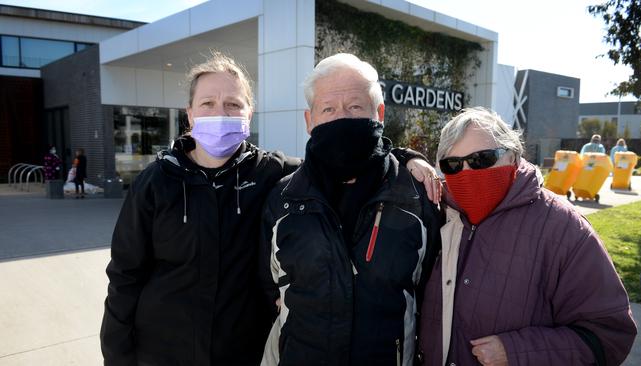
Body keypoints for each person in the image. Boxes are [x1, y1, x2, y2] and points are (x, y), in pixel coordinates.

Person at [100, 51, 439, 366]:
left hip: (243, 355)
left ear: (249, 113)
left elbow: (339, 160)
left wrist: (407, 159)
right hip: (162, 354)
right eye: (208, 103)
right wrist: (117, 356)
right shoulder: (155, 182)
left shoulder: (272, 173)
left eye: (233, 103)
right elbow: (124, 277)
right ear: (190, 114)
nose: (221, 112)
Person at [259, 53, 443, 366]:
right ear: (309, 120)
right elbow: (270, 288)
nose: (341, 118)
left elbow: (432, 292)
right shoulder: (283, 197)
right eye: (328, 109)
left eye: (355, 107)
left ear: (379, 113)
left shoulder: (418, 195)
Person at [418, 107, 637, 366]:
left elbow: (608, 335)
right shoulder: (438, 212)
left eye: (482, 160)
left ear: (512, 156)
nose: (467, 173)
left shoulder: (564, 227)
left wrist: (517, 352)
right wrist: (409, 158)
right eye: (453, 165)